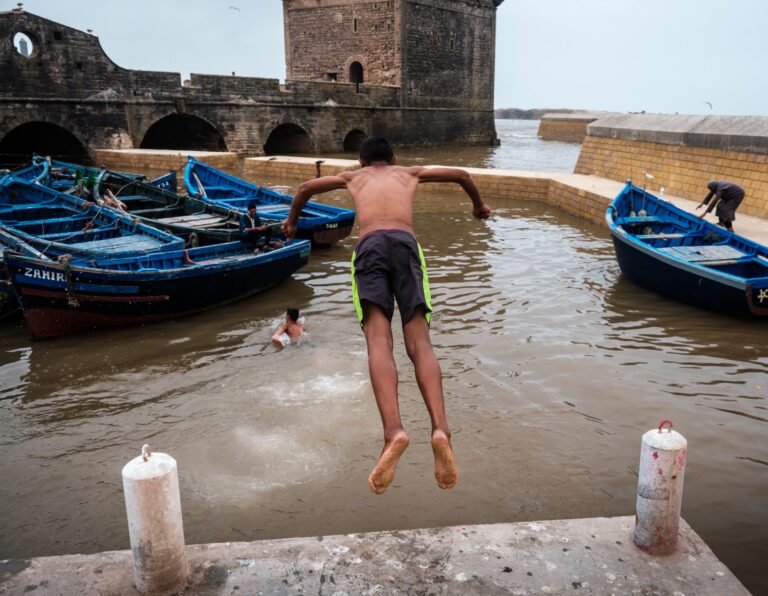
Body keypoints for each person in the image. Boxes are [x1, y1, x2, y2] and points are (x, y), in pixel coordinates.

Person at [281, 136, 491, 495]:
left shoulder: (353, 178)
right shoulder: (409, 172)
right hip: (406, 246)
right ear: (394, 158)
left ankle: (394, 432)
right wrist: (479, 206)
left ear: (361, 162)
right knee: (420, 343)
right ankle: (441, 429)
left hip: (370, 246)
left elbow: (304, 188)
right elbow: (461, 173)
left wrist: (291, 221)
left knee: (379, 342)